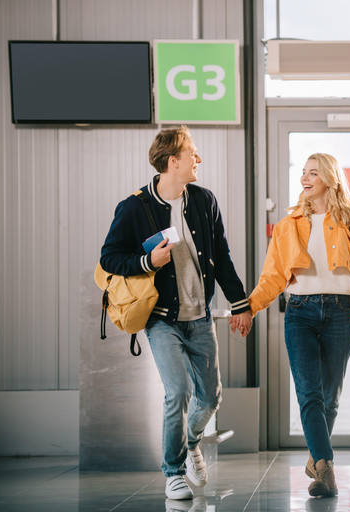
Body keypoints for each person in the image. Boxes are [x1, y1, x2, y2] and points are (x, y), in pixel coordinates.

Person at [100, 126, 253, 500]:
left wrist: (241, 304)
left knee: (210, 397)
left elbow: (223, 257)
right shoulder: (135, 206)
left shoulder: (203, 200)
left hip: (200, 317)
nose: (198, 160)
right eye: (193, 154)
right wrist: (146, 260)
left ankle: (192, 443)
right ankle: (173, 470)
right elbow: (109, 257)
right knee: (178, 392)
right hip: (162, 319)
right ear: (173, 161)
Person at [247, 153, 350, 498]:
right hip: (299, 314)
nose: (305, 179)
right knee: (309, 392)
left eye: (313, 173)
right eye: (303, 173)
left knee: (330, 397)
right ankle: (325, 468)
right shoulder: (287, 225)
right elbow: (272, 277)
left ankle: (317, 461)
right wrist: (247, 308)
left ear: (329, 177)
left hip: (340, 314)